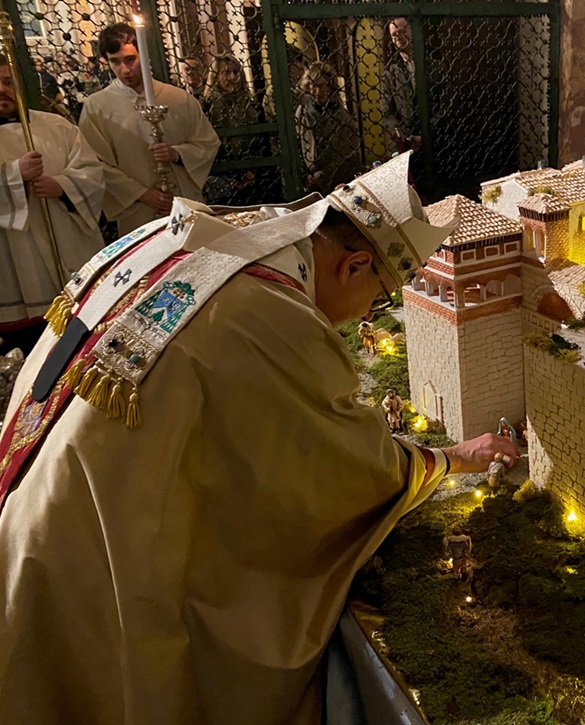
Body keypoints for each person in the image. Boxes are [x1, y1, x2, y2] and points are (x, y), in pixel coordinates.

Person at [0, 151, 520, 722]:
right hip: (83, 567)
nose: (362, 321)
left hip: (28, 492)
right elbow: (343, 470)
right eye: (375, 301)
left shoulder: (197, 231)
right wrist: (444, 461)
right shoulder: (271, 313)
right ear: (352, 265)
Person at [0, 54, 104, 357]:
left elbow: (92, 171)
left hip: (66, 245)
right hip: (14, 266)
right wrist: (13, 174)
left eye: (8, 82)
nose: (3, 89)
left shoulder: (56, 126)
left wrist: (63, 186)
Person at [79, 23, 219, 235]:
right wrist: (142, 194)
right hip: (137, 210)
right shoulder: (97, 107)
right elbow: (95, 163)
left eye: (130, 59)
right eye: (114, 62)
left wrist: (177, 154)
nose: (124, 70)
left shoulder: (179, 99)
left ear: (144, 55)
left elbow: (207, 143)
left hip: (183, 203)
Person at [201, 53, 271, 206]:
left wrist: (252, 171)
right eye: (226, 72)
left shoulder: (252, 106)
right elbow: (207, 145)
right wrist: (234, 174)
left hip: (256, 178)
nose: (232, 77)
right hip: (221, 178)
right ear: (216, 76)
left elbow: (263, 142)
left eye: (236, 72)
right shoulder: (206, 107)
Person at [296, 61, 361, 194]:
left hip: (338, 183)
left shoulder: (342, 115)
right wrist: (305, 176)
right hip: (310, 183)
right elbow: (296, 144)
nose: (318, 91)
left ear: (331, 87)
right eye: (314, 85)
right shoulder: (302, 111)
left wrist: (324, 175)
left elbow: (347, 153)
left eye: (323, 86)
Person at [382, 17, 419, 153]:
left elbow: (444, 105)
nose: (399, 37)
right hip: (405, 145)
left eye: (403, 31)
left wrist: (426, 134)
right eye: (394, 34)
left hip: (435, 141)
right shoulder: (389, 72)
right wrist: (406, 137)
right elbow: (387, 112)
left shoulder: (433, 65)